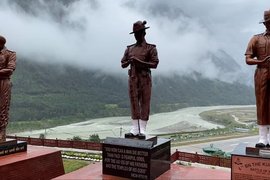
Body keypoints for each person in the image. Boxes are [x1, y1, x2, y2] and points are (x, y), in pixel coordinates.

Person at [121, 20, 159, 139]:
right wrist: (129, 61)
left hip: (144, 78)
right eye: (135, 33)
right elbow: (122, 63)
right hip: (132, 78)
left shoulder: (150, 48)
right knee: (134, 102)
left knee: (144, 102)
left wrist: (139, 62)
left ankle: (142, 129)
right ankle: (135, 129)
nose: (137, 35)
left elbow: (154, 64)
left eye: (139, 33)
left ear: (144, 33)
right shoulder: (129, 49)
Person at [245, 10, 270, 148]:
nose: (269, 25)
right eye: (267, 22)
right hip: (261, 73)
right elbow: (248, 59)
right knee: (262, 104)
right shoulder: (256, 39)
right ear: (264, 23)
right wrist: (261, 61)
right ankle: (262, 138)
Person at [0, 35, 16, 142]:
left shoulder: (10, 54)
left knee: (2, 107)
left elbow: (10, 69)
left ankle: (1, 133)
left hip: (3, 82)